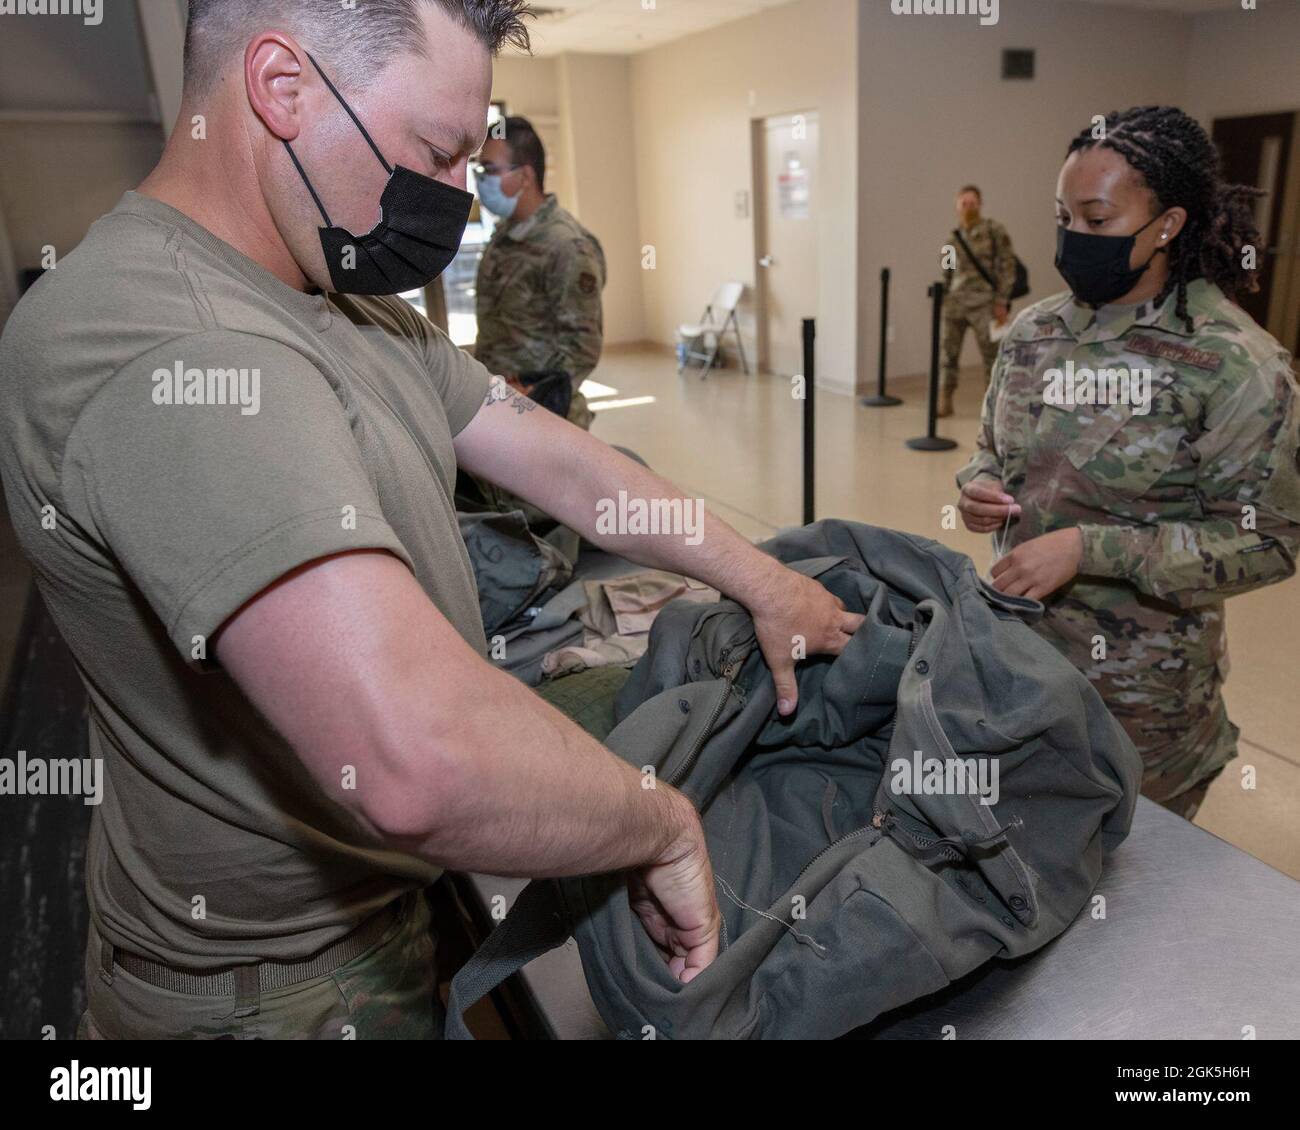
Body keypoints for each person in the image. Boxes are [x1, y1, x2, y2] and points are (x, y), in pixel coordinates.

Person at [0, 0, 864, 1040]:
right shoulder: (169, 343)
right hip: (275, 993)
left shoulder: (333, 290)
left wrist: (760, 577)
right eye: (435, 152)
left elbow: (557, 458)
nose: (458, 195)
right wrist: (658, 824)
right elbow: (416, 759)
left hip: (371, 918)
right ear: (282, 88)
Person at [956, 105, 1300, 822]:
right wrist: (979, 486)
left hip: (1144, 708)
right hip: (1021, 670)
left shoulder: (1235, 363)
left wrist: (1091, 548)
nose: (1075, 239)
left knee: (1131, 900)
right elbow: (994, 448)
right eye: (1064, 217)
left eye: (1098, 220)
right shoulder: (1035, 330)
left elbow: (1270, 541)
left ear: (1167, 225)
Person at [474, 115, 605, 431]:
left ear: (525, 176)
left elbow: (583, 348)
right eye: (479, 170)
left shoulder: (567, 245)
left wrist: (534, 398)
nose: (480, 180)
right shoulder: (505, 235)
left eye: (490, 170)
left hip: (545, 417)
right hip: (499, 407)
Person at [939, 185, 1017, 418]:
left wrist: (1002, 301)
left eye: (972, 203)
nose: (968, 207)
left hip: (986, 304)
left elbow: (1007, 266)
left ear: (980, 205)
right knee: (948, 356)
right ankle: (945, 400)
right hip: (955, 305)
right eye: (964, 203)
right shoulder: (952, 240)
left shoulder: (994, 231)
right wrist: (944, 298)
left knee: (992, 357)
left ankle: (992, 405)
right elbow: (947, 273)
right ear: (957, 207)